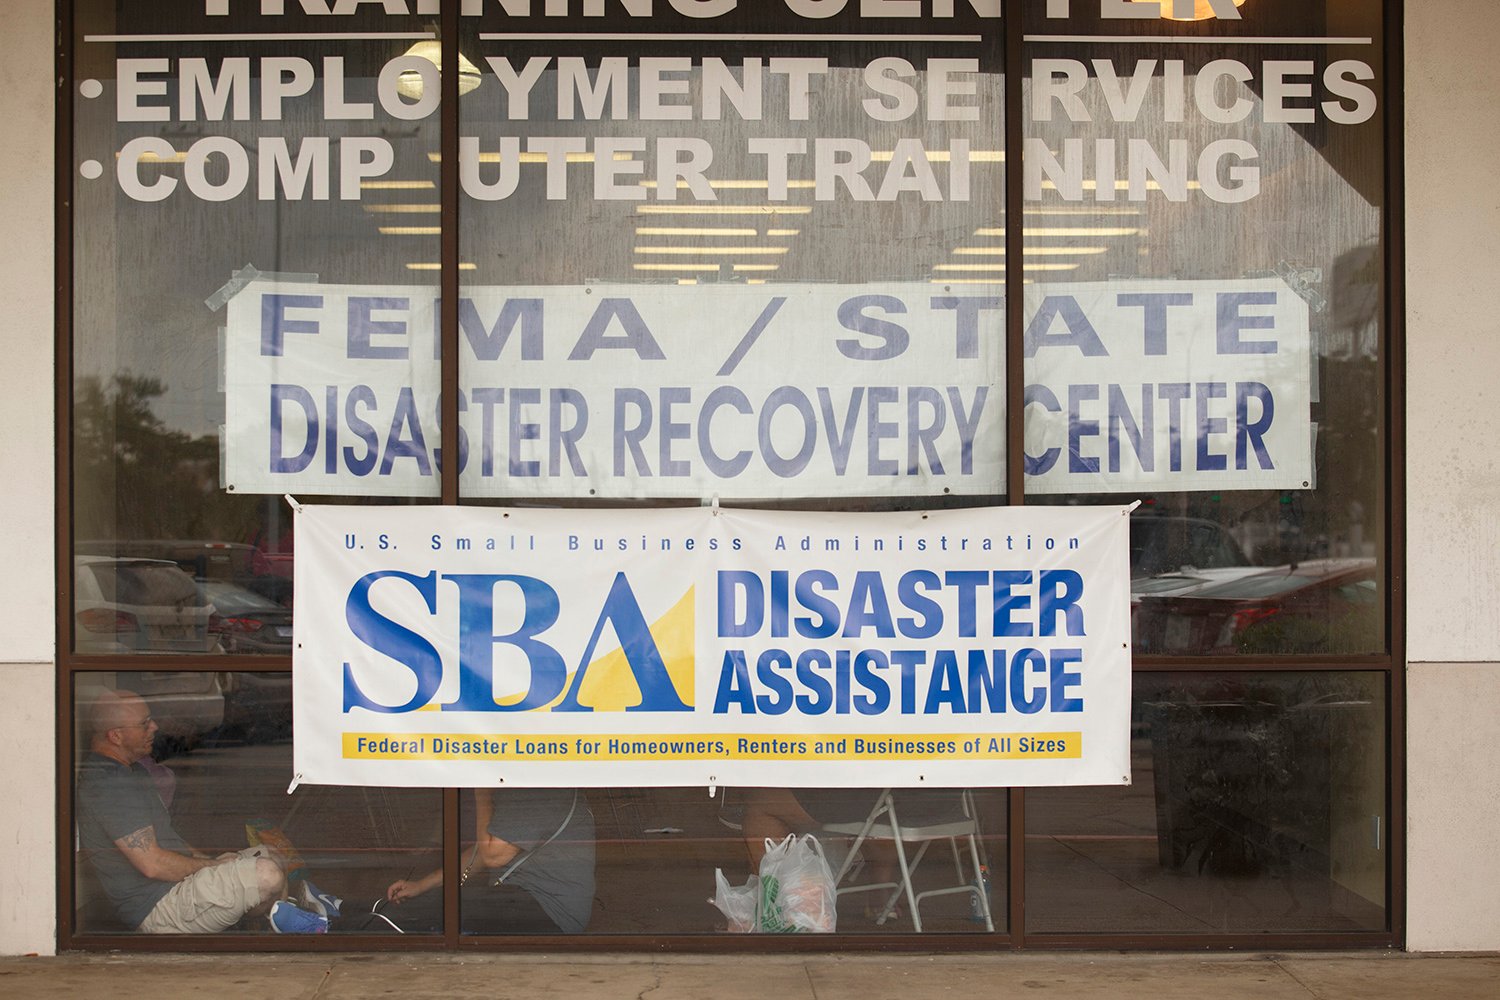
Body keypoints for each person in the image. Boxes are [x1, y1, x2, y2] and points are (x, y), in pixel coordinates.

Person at [75, 688, 328, 933]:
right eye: (144, 723)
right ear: (116, 736)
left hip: (177, 886)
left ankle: (283, 920)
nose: (155, 727)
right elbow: (151, 865)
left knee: (272, 855)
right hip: (158, 908)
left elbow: (170, 841)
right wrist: (210, 867)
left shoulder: (132, 771)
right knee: (266, 874)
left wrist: (214, 863)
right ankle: (293, 923)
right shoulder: (107, 785)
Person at [384, 787, 595, 934]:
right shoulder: (517, 787)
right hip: (520, 897)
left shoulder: (540, 791)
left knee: (435, 914)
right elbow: (481, 853)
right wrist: (421, 886)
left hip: (551, 911)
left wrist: (482, 793)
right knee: (433, 905)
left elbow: (492, 855)